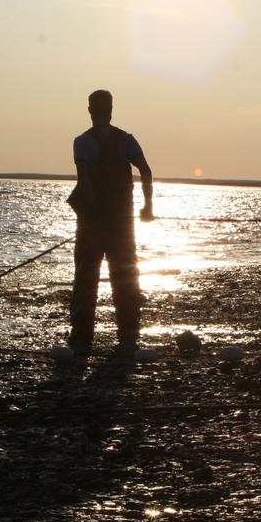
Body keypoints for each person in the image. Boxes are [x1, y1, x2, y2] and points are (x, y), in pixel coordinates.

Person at [67, 89, 153, 354]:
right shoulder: (126, 140)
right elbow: (146, 172)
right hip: (122, 223)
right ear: (111, 109)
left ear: (90, 110)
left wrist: (89, 212)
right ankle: (128, 334)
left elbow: (85, 182)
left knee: (85, 277)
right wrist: (147, 206)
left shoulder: (82, 142)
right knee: (126, 276)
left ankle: (82, 337)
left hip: (93, 223)